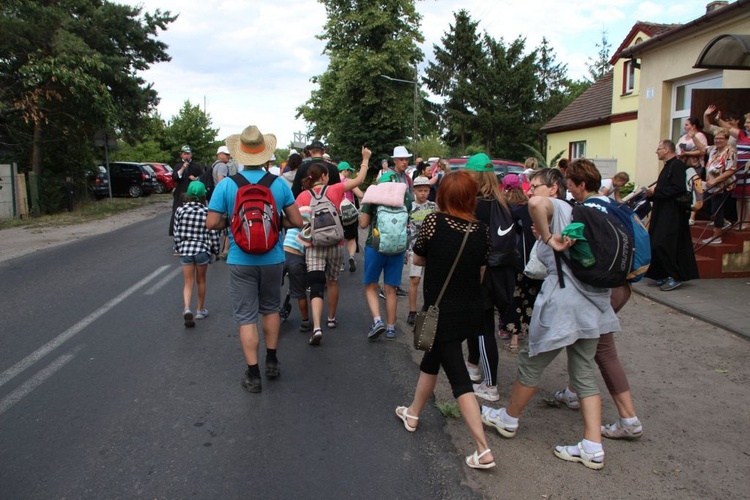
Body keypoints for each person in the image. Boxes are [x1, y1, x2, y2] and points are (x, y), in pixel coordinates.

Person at [481, 160, 620, 471]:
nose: (531, 190)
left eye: (537, 184)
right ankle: (593, 445)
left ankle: (508, 419)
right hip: (593, 306)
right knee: (583, 373)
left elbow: (535, 203)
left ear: (554, 188)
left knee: (531, 361)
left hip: (564, 307)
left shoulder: (557, 206)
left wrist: (546, 237)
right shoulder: (586, 213)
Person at [394, 170, 496, 471]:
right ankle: (412, 412)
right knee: (432, 359)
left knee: (459, 381)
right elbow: (480, 269)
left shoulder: (433, 222)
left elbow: (419, 259)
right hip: (470, 309)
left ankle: (483, 449)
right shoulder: (482, 231)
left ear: (444, 196)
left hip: (440, 310)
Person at [206, 125, 302, 394]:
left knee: (246, 317)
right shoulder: (279, 184)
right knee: (270, 309)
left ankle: (253, 375)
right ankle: (272, 360)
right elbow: (297, 220)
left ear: (240, 155)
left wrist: (234, 221)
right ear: (265, 156)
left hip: (240, 259)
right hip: (273, 258)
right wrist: (273, 223)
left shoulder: (227, 185)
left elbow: (212, 222)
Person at [554, 160, 643, 441]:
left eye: (571, 186)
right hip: (623, 284)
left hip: (603, 288)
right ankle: (572, 392)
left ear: (582, 185)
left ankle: (629, 419)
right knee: (586, 340)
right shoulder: (616, 206)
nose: (570, 193)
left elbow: (577, 251)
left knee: (603, 349)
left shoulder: (584, 210)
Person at [294, 149, 370, 345]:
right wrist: (365, 159)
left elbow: (298, 222)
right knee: (333, 281)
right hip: (336, 243)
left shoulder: (303, 196)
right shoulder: (335, 189)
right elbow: (359, 180)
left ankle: (317, 326)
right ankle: (331, 318)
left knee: (317, 285)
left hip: (314, 246)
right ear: (325, 176)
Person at [464, 154, 518, 403]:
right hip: (503, 270)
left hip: (484, 271)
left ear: (475, 176)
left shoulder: (477, 205)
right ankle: (473, 367)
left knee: (484, 327)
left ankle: (490, 384)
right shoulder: (501, 202)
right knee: (478, 321)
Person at [360, 171, 412, 340]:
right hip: (397, 247)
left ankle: (377, 321)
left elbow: (363, 224)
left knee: (371, 285)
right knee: (391, 290)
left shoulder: (375, 194)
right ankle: (391, 328)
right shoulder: (406, 196)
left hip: (374, 246)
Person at [645, 140, 699, 291]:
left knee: (664, 243)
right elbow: (665, 189)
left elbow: (678, 189)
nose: (657, 151)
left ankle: (674, 276)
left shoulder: (677, 166)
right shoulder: (668, 166)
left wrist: (656, 192)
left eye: (659, 148)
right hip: (662, 210)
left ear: (667, 150)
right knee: (656, 241)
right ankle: (662, 274)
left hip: (673, 212)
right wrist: (651, 195)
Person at [496, 173, 541, 354]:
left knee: (514, 295)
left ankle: (512, 335)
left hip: (514, 259)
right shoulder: (531, 206)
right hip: (535, 259)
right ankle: (526, 332)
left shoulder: (506, 209)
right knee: (531, 298)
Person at [173, 180, 220, 327]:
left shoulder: (180, 211)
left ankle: (187, 308)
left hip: (186, 249)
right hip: (202, 250)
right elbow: (213, 232)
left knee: (188, 282)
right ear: (202, 196)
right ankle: (200, 310)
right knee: (201, 281)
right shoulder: (207, 212)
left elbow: (176, 232)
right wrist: (216, 250)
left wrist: (178, 248)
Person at [406, 176, 438, 325]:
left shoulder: (433, 206)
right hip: (414, 246)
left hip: (431, 248)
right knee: (415, 279)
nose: (423, 194)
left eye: (426, 190)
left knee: (431, 280)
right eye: (420, 191)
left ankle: (429, 308)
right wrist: (406, 249)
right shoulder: (409, 207)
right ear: (414, 191)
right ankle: (412, 311)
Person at [702, 129, 738, 244]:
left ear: (726, 139)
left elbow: (731, 170)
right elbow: (703, 149)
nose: (718, 140)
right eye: (716, 138)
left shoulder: (730, 151)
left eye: (721, 138)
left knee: (716, 209)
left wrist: (716, 180)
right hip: (710, 184)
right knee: (703, 204)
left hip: (723, 185)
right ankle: (724, 222)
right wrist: (693, 137)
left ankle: (717, 236)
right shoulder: (713, 149)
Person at [283, 207, 311, 332]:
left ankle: (270, 313)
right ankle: (305, 321)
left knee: (273, 287)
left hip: (282, 255)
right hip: (297, 258)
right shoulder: (310, 226)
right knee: (301, 294)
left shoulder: (293, 222)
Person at [676, 118, 708, 225]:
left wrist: (687, 154)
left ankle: (693, 216)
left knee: (695, 190)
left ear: (693, 126)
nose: (684, 127)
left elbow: (702, 150)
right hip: (683, 167)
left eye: (687, 125)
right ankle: (684, 212)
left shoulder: (700, 136)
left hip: (695, 167)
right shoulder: (682, 137)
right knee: (685, 189)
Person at [169, 145, 204, 237]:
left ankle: (194, 232)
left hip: (193, 194)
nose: (186, 156)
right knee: (178, 212)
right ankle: (177, 234)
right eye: (184, 154)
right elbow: (175, 178)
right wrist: (183, 168)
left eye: (188, 154)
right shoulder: (178, 166)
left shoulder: (196, 166)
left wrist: (196, 178)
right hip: (180, 193)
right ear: (181, 155)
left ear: (191, 155)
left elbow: (203, 178)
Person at [337, 161, 365, 272]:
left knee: (339, 239)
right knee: (351, 238)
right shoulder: (348, 182)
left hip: (337, 212)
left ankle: (339, 263)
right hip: (349, 213)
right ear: (345, 171)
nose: (349, 173)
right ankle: (352, 257)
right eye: (349, 171)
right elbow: (360, 194)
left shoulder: (333, 182)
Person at [211, 145, 232, 260]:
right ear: (220, 155)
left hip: (214, 197)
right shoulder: (223, 166)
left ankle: (213, 247)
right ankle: (225, 250)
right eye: (226, 154)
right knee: (226, 224)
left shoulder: (214, 165)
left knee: (214, 223)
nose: (229, 156)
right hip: (222, 198)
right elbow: (221, 181)